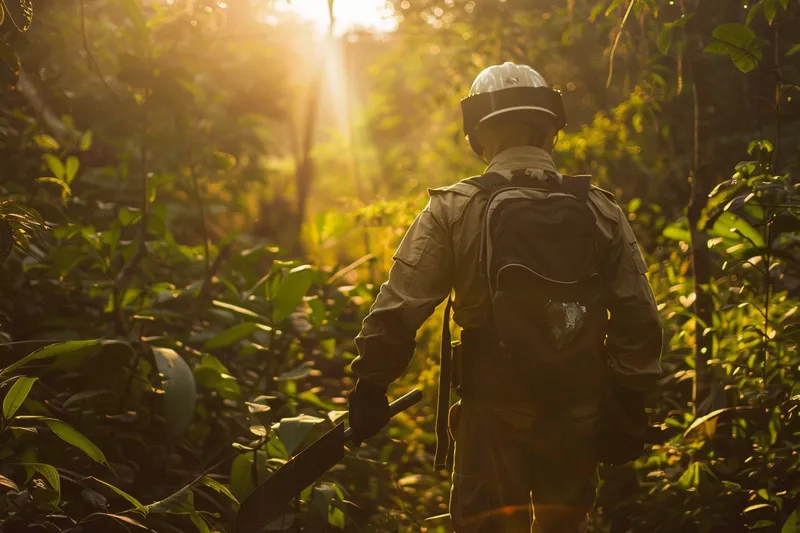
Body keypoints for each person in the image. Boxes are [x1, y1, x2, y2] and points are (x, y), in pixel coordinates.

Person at [347, 62, 663, 533]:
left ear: (478, 135)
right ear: (550, 129)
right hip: (577, 407)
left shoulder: (453, 208)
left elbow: (400, 308)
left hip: (493, 410)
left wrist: (371, 385)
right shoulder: (600, 208)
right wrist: (631, 399)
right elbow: (640, 315)